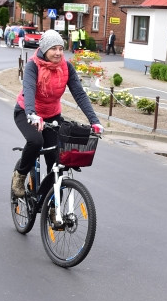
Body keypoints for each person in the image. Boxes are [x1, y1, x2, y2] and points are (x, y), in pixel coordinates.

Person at [10, 30, 103, 197]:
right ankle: (20, 174)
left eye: (61, 48)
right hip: (27, 112)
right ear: (45, 49)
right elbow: (29, 89)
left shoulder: (66, 67)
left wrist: (94, 121)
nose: (58, 53)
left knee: (57, 162)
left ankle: (51, 207)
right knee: (36, 141)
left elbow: (79, 94)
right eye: (54, 49)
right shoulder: (33, 65)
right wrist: (32, 113)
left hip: (52, 116)